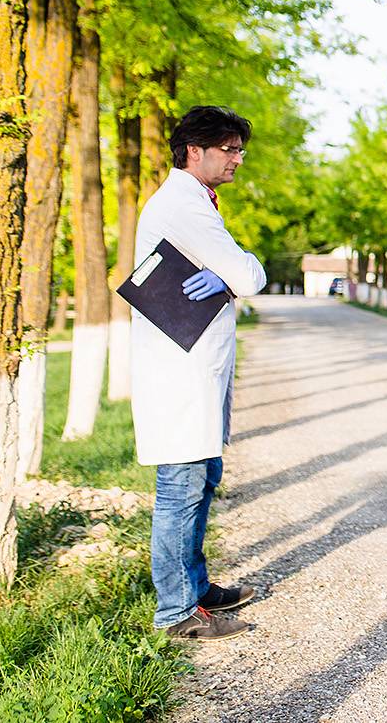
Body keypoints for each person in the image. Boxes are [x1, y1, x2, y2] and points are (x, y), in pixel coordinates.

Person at [130, 105, 267, 641]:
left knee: (200, 481)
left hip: (195, 369)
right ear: (195, 150)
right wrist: (234, 273)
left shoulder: (194, 202)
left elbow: (231, 275)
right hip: (179, 374)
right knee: (181, 488)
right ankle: (175, 611)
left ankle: (196, 588)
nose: (237, 159)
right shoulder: (185, 206)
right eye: (228, 149)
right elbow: (250, 275)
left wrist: (225, 276)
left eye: (240, 150)